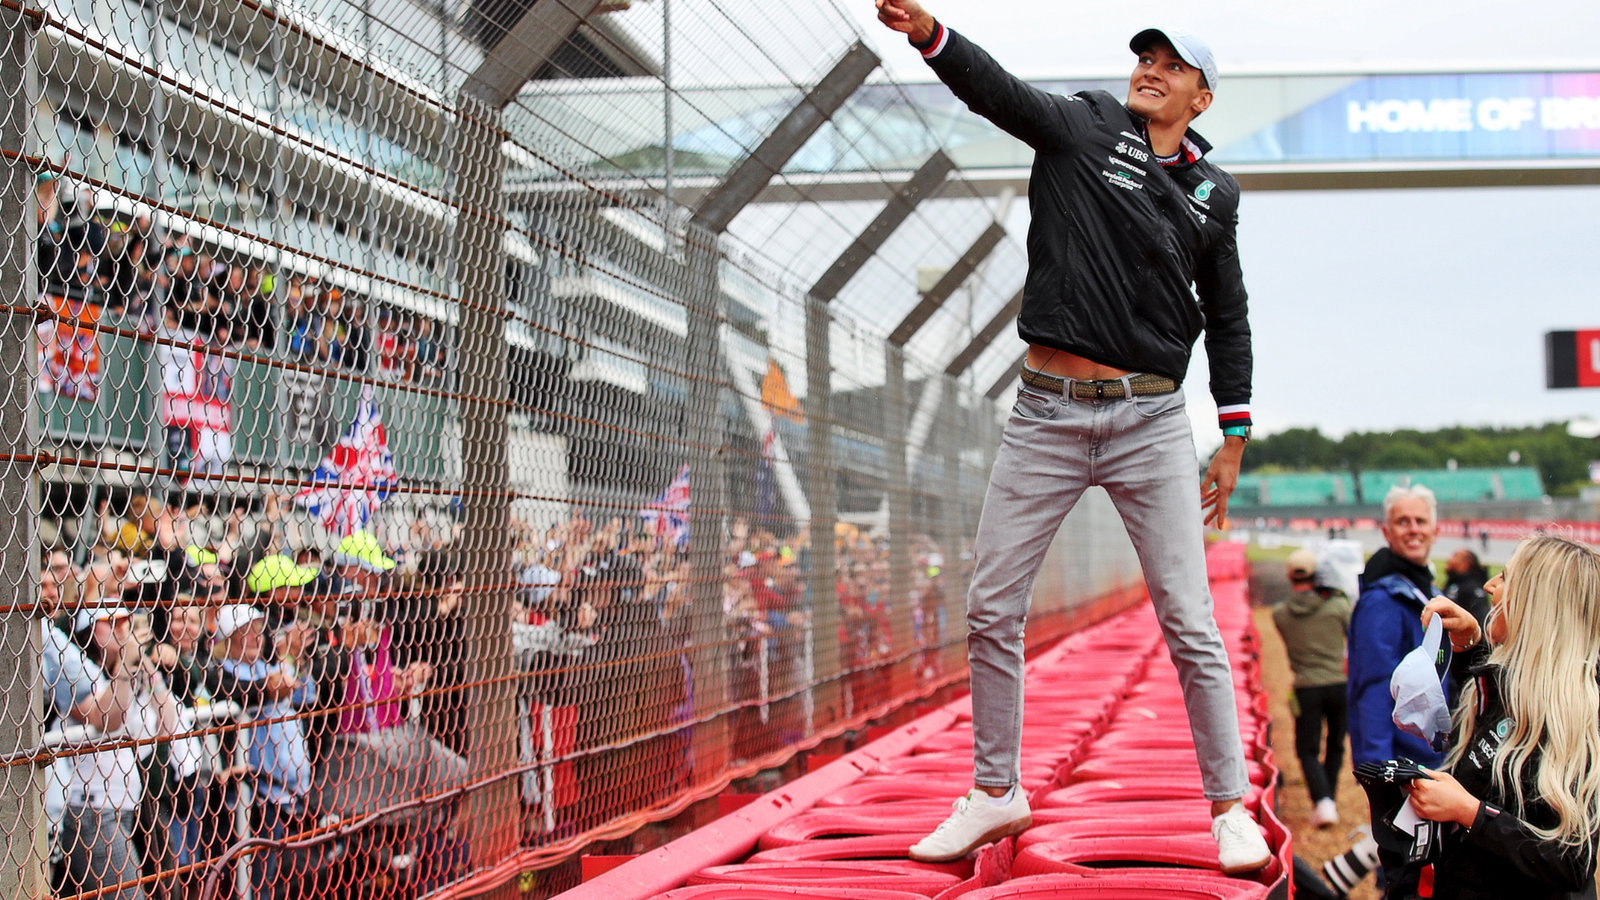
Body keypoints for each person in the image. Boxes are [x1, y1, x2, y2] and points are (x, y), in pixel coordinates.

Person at [872, 0, 1270, 874]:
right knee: (991, 606)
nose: (1151, 70)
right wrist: (931, 35)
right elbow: (1000, 94)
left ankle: (1229, 808)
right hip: (1045, 415)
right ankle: (994, 791)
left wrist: (1234, 434)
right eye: (1146, 57)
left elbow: (1229, 317)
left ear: (1201, 98)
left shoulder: (1217, 194)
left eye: (1172, 65)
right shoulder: (1087, 125)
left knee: (1189, 619)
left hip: (1151, 421)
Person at [1396, 536, 1600, 899]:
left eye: (1505, 578)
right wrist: (1471, 644)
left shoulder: (1576, 719)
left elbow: (1571, 862)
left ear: (1536, 605)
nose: (1490, 585)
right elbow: (1501, 726)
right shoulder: (1522, 684)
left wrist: (1469, 812)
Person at [1330, 484, 1444, 897]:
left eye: (1420, 521)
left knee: (1426, 870)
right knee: (1405, 874)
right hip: (1402, 763)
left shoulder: (1426, 590)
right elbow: (1372, 689)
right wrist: (1377, 771)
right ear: (1386, 531)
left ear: (1435, 529)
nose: (1413, 529)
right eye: (1402, 521)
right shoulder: (1383, 600)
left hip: (1432, 757)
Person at [1272, 548, 1351, 829]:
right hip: (1339, 683)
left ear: (1289, 576)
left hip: (1306, 686)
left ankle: (1323, 800)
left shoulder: (1280, 614)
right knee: (1336, 744)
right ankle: (1328, 799)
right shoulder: (1338, 606)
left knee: (1307, 748)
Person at [1441, 549, 1491, 708]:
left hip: (1460, 664)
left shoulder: (1473, 589)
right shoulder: (1453, 583)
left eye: (1454, 556)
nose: (1449, 559)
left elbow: (1482, 626)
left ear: (1465, 563)